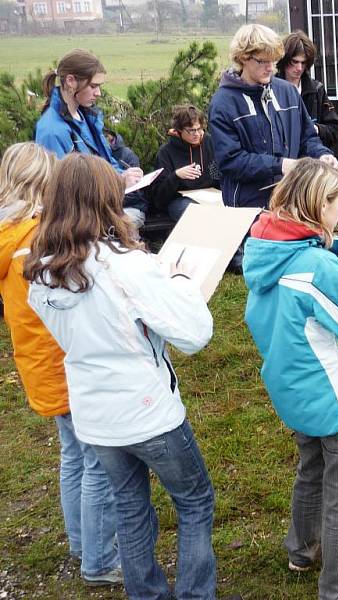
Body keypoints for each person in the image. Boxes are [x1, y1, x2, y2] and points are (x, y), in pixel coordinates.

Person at [25, 153, 217, 599]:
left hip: (95, 412)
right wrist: (183, 282)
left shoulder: (41, 271)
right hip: (147, 409)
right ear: (106, 200)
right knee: (194, 501)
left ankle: (146, 594)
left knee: (130, 508)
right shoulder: (126, 267)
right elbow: (194, 334)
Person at [243, 158, 338, 600]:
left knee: (311, 472)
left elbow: (302, 296)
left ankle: (301, 549)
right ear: (318, 205)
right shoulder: (316, 269)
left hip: (296, 393)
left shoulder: (266, 251)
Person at [0, 143, 122, 587]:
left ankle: (80, 541)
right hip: (64, 364)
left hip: (38, 365)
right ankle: (99, 561)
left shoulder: (8, 234)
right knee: (97, 464)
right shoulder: (34, 243)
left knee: (73, 456)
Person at [209, 23, 338, 209]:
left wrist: (321, 155)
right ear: (243, 58)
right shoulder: (223, 103)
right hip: (248, 207)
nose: (271, 68)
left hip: (291, 201)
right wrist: (279, 165)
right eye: (263, 61)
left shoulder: (288, 92)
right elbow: (231, 160)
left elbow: (307, 137)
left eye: (273, 60)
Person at [34, 49, 148, 229]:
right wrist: (118, 184)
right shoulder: (51, 130)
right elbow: (62, 192)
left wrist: (123, 176)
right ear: (71, 81)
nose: (99, 93)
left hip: (99, 210)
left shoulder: (85, 116)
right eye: (93, 86)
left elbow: (104, 162)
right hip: (79, 224)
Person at [276, 30, 338, 150]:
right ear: (284, 60)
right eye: (294, 62)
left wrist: (315, 128)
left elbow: (334, 130)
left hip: (312, 158)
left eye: (303, 62)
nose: (299, 68)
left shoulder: (317, 90)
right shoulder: (269, 89)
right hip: (281, 161)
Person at [152, 105, 220, 222]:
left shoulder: (209, 143)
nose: (197, 134)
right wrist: (176, 176)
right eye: (191, 130)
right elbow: (158, 197)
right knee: (193, 212)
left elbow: (220, 176)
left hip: (212, 195)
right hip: (180, 200)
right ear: (179, 130)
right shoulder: (166, 152)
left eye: (199, 129)